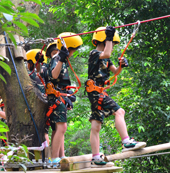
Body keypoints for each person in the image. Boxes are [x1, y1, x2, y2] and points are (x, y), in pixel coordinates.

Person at [85, 26, 146, 167]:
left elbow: (115, 72)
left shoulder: (107, 59)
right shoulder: (94, 53)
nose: (112, 46)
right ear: (103, 40)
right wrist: (109, 37)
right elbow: (106, 53)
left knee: (96, 125)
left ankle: (95, 157)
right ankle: (126, 141)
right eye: (111, 43)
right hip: (95, 92)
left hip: (98, 92)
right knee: (120, 111)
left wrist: (121, 65)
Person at [45, 32, 82, 166]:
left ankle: (56, 157)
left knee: (58, 129)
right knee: (62, 127)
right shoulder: (57, 59)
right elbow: (54, 75)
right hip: (56, 98)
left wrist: (69, 94)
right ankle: (54, 159)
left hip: (60, 97)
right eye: (73, 50)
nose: (72, 53)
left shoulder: (62, 60)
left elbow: (62, 81)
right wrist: (61, 58)